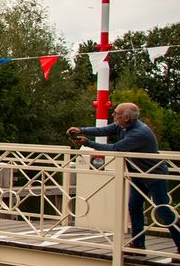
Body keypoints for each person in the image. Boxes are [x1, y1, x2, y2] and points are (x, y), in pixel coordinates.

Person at [69, 103, 180, 255]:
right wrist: (82, 130)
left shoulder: (139, 133)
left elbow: (115, 149)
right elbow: (104, 130)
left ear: (126, 117)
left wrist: (87, 143)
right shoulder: (122, 126)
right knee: (134, 207)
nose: (113, 116)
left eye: (116, 113)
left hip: (154, 175)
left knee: (163, 210)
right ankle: (138, 244)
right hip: (138, 174)